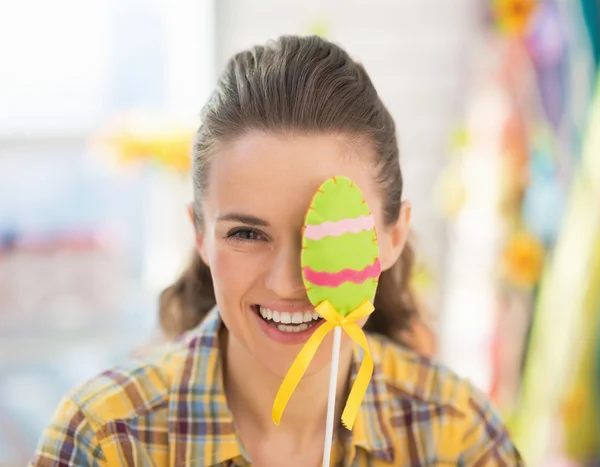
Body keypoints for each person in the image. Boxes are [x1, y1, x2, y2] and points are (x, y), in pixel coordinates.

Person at [31, 35, 523, 466]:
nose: (288, 282)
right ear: (200, 235)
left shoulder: (460, 436)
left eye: (327, 234)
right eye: (247, 234)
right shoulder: (105, 440)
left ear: (393, 237)